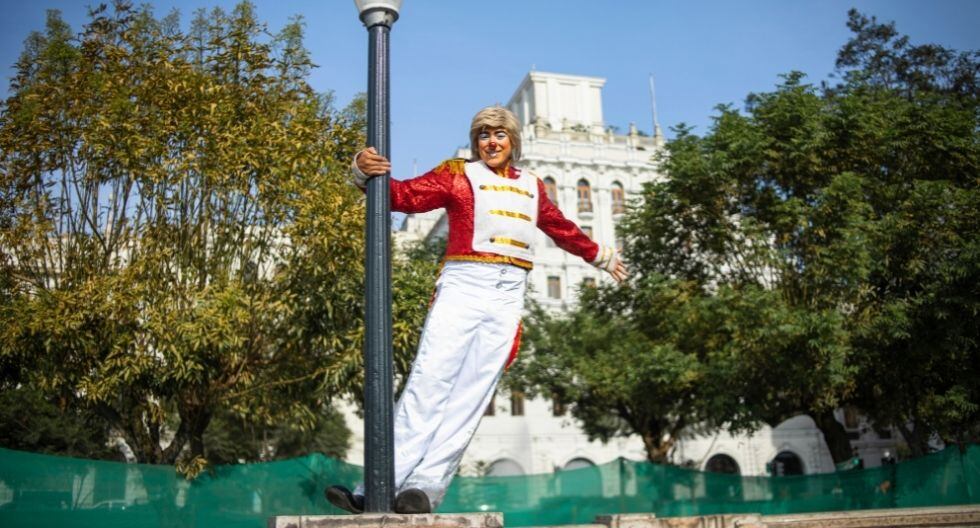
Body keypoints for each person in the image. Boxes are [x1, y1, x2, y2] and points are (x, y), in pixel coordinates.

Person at [326, 106, 628, 514]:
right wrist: (362, 172)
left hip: (508, 297)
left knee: (471, 396)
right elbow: (404, 196)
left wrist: (601, 257)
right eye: (484, 134)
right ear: (476, 141)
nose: (491, 142)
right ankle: (374, 488)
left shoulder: (533, 186)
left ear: (513, 141)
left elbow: (561, 228)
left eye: (499, 134)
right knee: (427, 387)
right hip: (463, 287)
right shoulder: (457, 173)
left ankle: (425, 488)